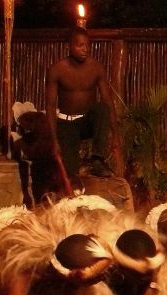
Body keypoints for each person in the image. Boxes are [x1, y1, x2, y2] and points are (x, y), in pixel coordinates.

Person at [45, 27, 123, 192]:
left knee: (102, 108)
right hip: (66, 124)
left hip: (87, 121)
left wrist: (115, 136)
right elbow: (51, 106)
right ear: (70, 46)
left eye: (87, 45)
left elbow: (108, 102)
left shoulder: (96, 68)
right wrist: (54, 140)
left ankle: (97, 159)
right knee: (70, 173)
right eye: (80, 45)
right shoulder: (57, 69)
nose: (85, 49)